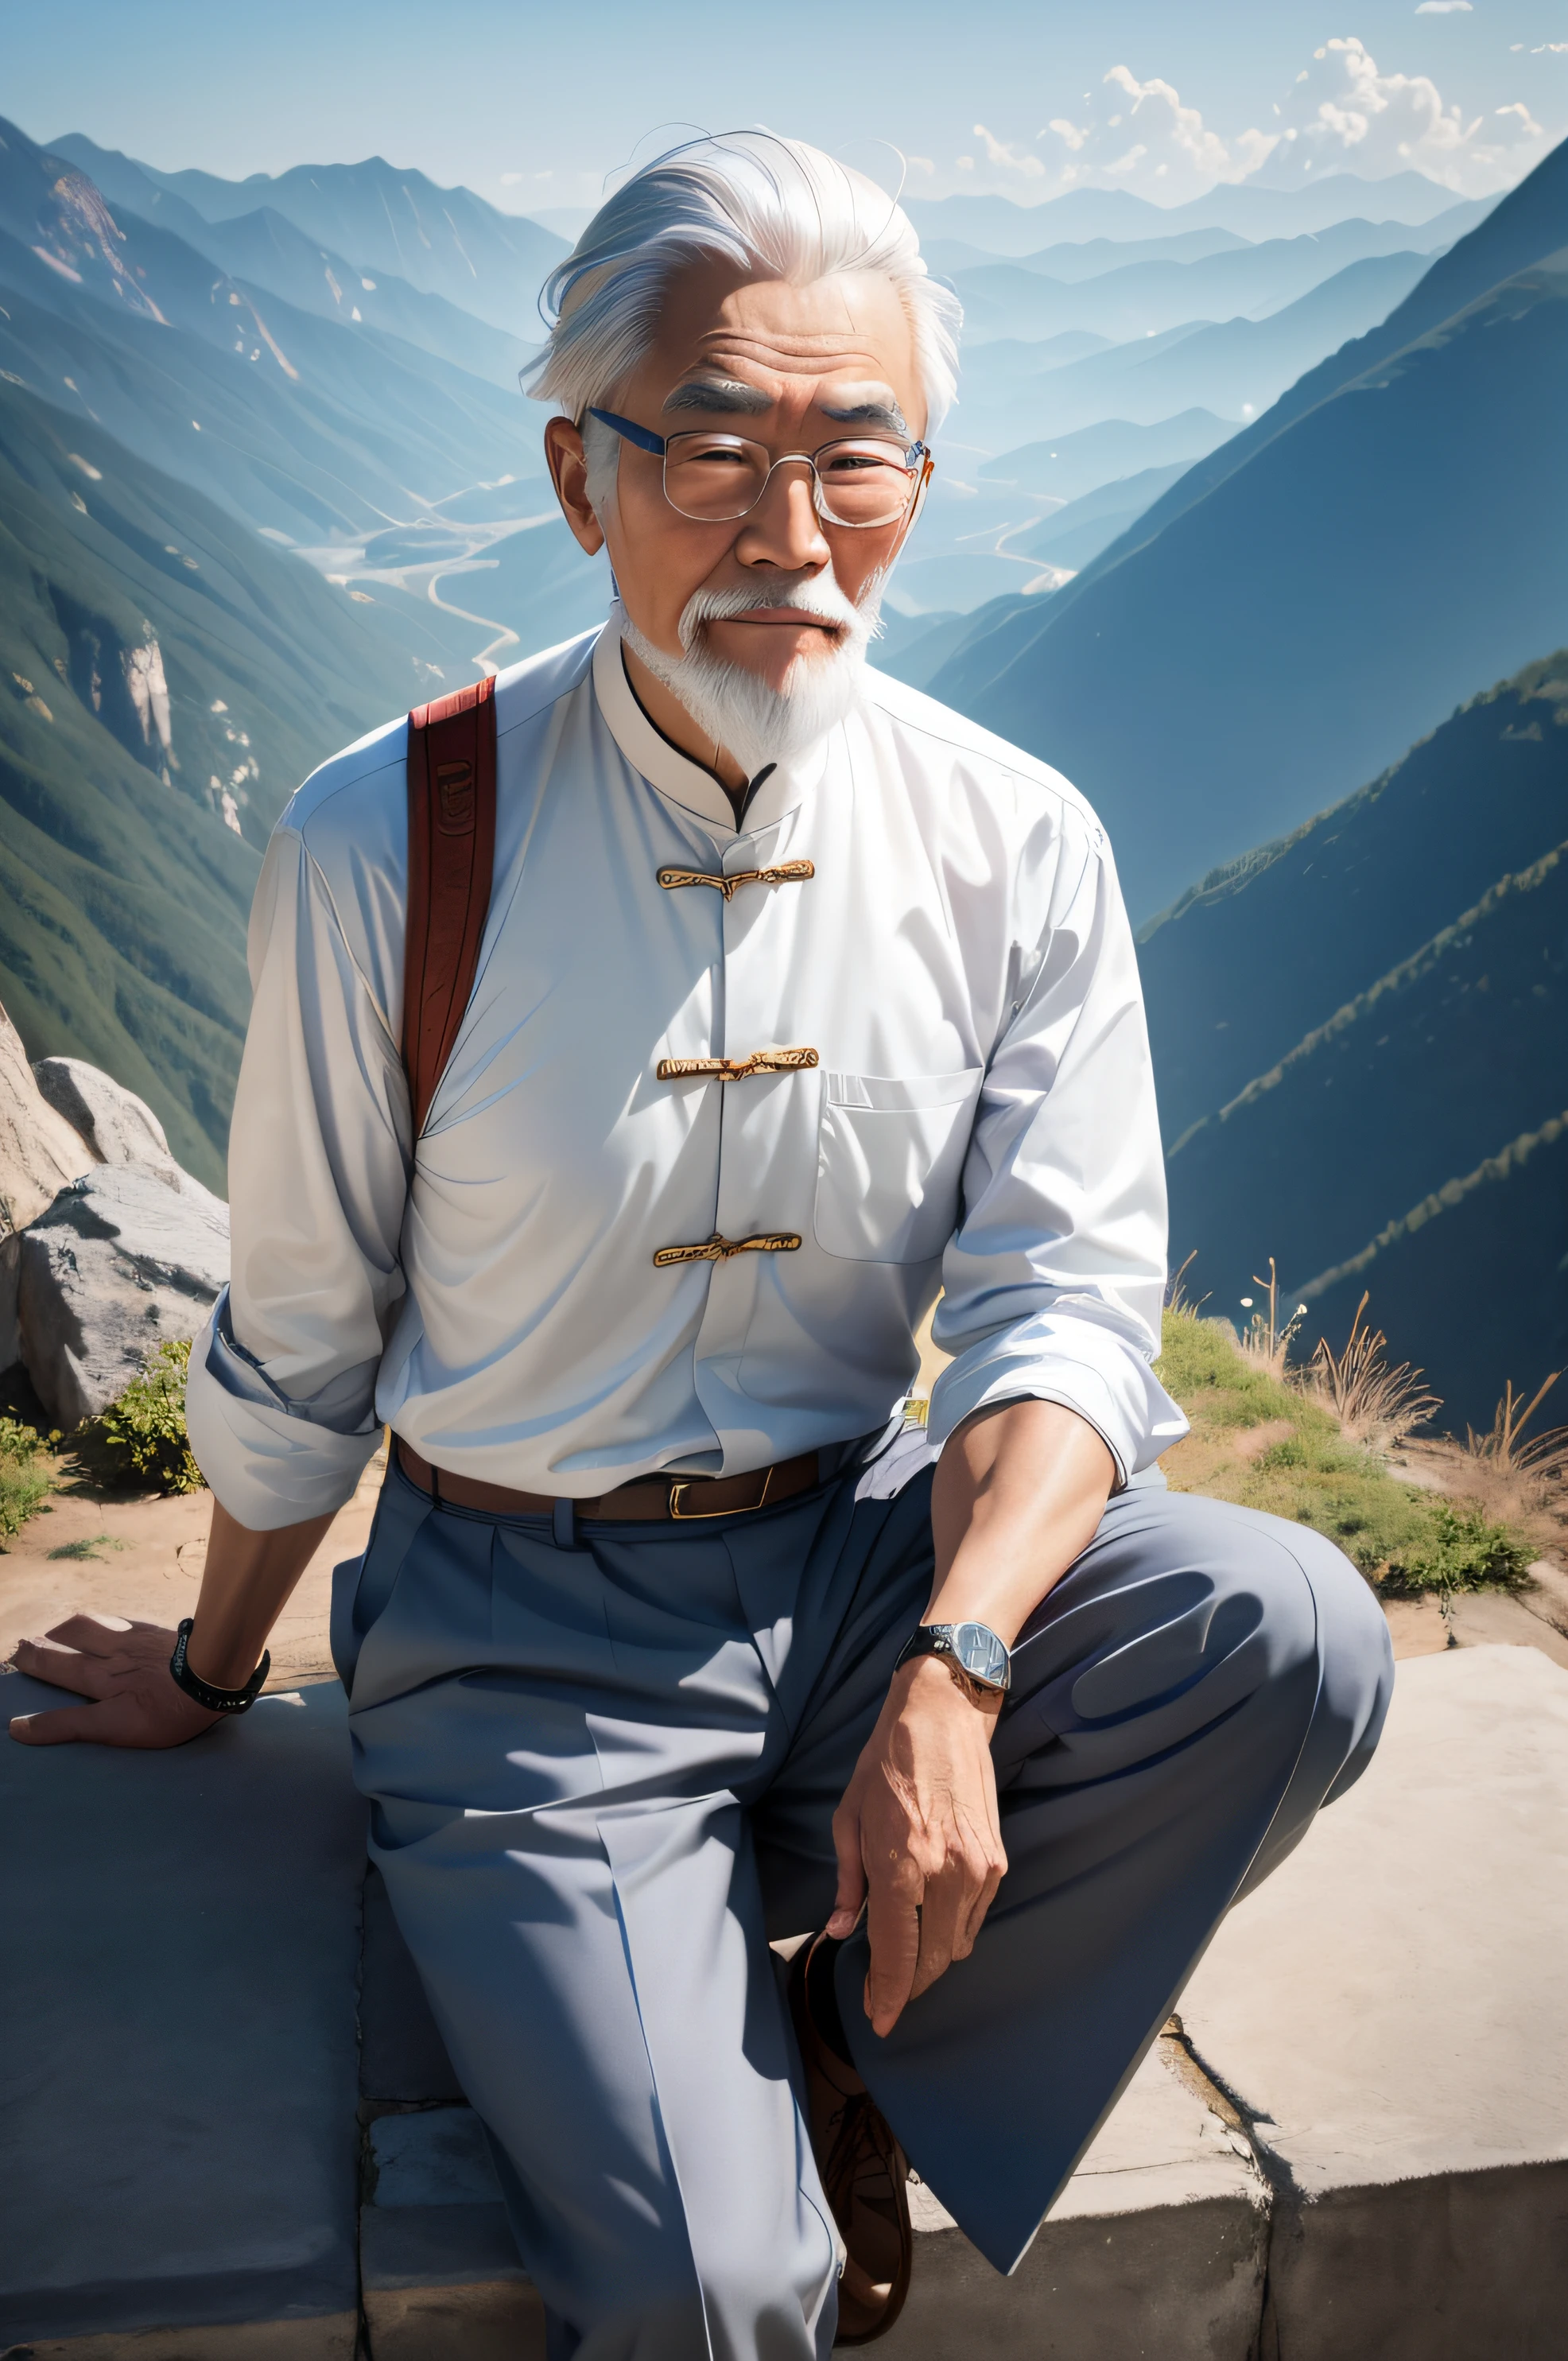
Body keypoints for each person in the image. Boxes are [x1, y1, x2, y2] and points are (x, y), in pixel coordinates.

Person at [10, 134, 1392, 2361]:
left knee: (1294, 1630)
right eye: (713, 453)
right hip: (520, 1639)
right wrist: (205, 1668)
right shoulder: (391, 838)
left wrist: (953, 1662)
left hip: (856, 1568)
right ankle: (740, 2040)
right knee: (708, 2287)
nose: (787, 534)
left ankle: (855, 2040)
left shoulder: (1012, 838)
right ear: (580, 478)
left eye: (854, 456)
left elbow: (1065, 1303)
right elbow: (303, 1321)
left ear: (919, 479)